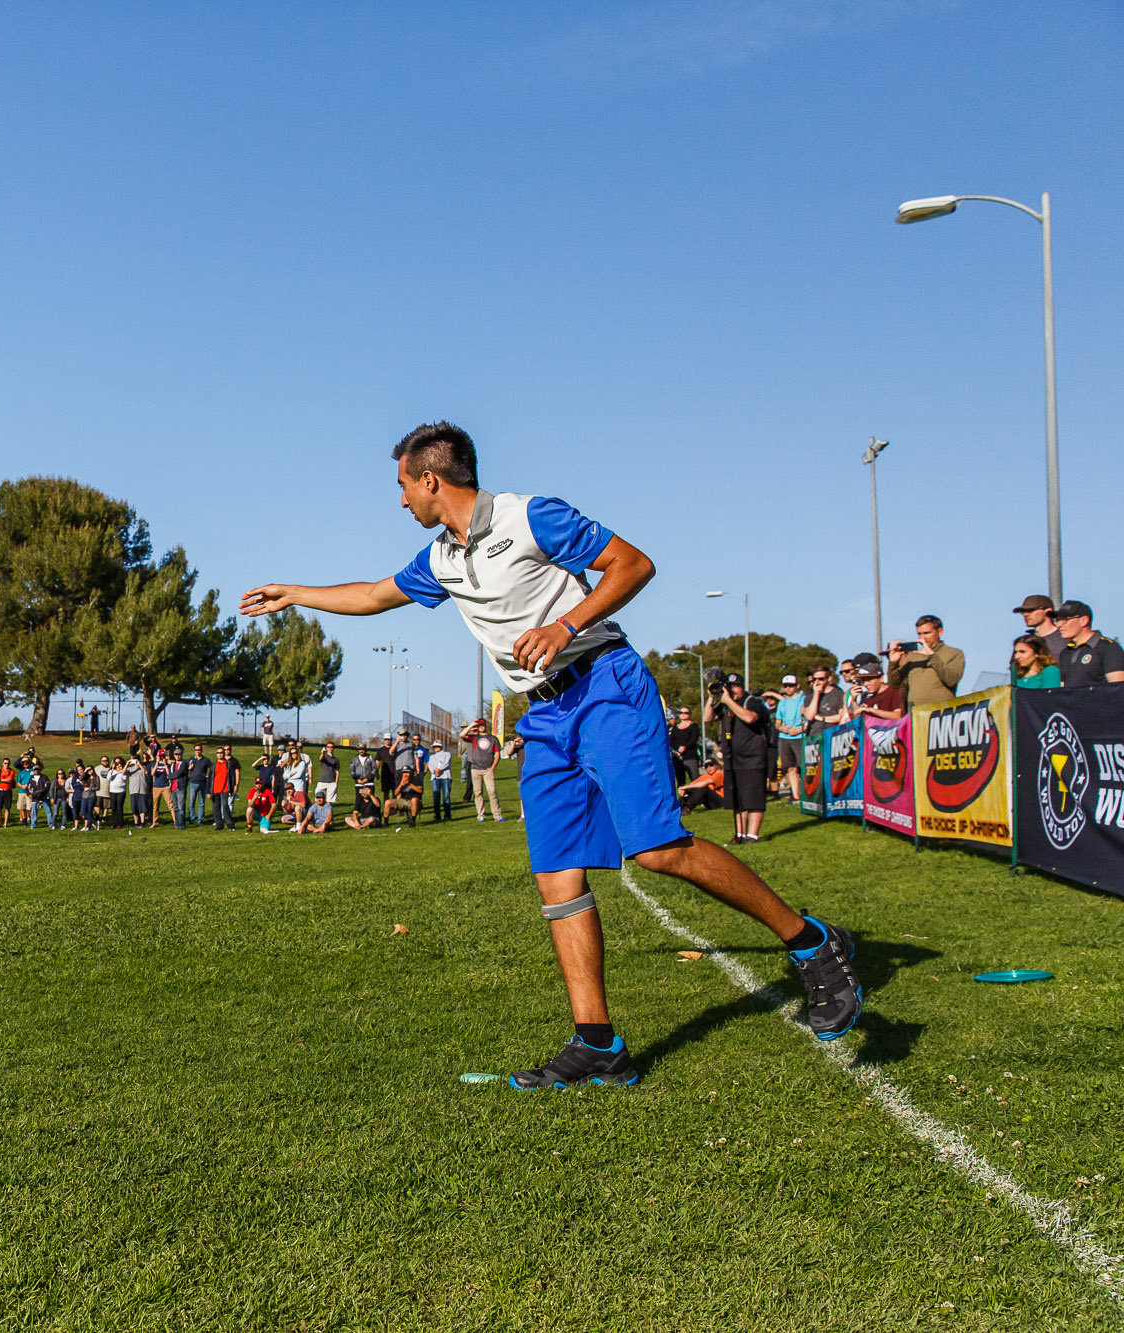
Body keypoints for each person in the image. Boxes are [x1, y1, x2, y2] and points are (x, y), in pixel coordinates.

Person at [240, 420, 862, 1089]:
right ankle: (597, 1042)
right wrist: (295, 594)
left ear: (430, 479)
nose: (400, 503)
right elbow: (374, 593)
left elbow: (634, 563)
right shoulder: (442, 559)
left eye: (402, 487)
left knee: (654, 848)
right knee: (558, 876)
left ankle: (812, 943)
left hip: (604, 684)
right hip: (545, 715)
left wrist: (566, 623)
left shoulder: (529, 517)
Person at [707, 673, 770, 845]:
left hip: (753, 757)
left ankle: (752, 835)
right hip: (733, 759)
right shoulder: (727, 705)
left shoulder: (753, 702)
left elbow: (750, 717)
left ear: (742, 687)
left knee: (753, 798)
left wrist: (729, 702)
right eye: (730, 686)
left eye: (736, 686)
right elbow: (707, 717)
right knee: (738, 798)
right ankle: (740, 835)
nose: (733, 690)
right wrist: (712, 698)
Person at [886, 615, 965, 707]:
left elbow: (951, 680)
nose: (922, 638)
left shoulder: (954, 653)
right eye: (919, 634)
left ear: (940, 632)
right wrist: (893, 663)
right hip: (916, 714)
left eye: (927, 633)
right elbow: (895, 684)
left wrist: (932, 656)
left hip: (941, 713)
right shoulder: (913, 657)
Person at [1054, 600, 1124, 687]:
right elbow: (1064, 690)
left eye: (1065, 620)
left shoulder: (1108, 648)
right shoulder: (1065, 653)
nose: (1059, 625)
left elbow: (1118, 690)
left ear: (1083, 620)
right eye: (1057, 620)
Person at [768, 676, 806, 802]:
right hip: (784, 737)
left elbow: (808, 719)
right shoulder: (782, 703)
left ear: (797, 686)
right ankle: (795, 796)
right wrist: (782, 728)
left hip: (800, 736)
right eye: (786, 686)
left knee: (803, 766)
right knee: (790, 767)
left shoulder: (804, 699)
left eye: (791, 686)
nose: (788, 688)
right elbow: (777, 723)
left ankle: (807, 793)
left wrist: (799, 730)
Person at [462, 721, 503, 822]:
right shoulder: (474, 738)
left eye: (482, 725)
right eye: (478, 726)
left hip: (487, 769)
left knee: (492, 791)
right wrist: (471, 725)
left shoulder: (493, 739)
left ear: (485, 726)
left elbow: (497, 754)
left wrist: (493, 767)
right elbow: (462, 735)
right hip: (475, 769)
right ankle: (481, 815)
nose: (480, 727)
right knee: (478, 793)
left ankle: (497, 815)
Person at [1014, 594, 1067, 659]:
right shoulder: (1025, 641)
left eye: (1031, 610)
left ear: (1048, 611)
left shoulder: (1065, 637)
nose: (1025, 614)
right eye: (1023, 612)